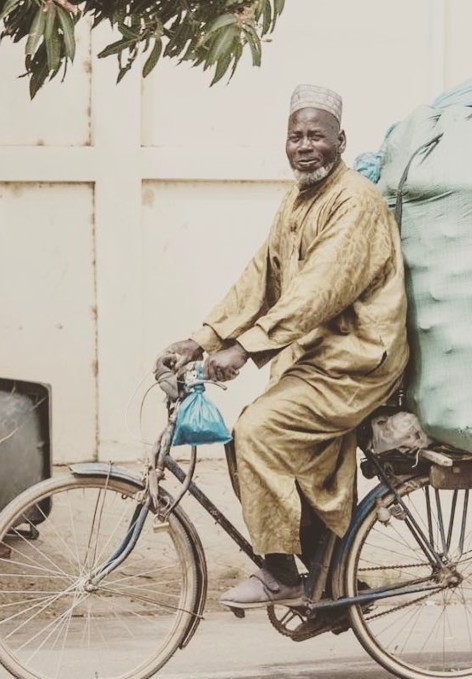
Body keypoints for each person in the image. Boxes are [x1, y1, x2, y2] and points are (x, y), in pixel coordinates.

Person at [155, 84, 408, 610]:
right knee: (260, 441)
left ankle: (280, 574)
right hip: (318, 356)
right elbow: (260, 279)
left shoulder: (354, 201)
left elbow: (319, 290)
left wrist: (246, 349)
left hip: (357, 359)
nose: (305, 146)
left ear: (341, 140)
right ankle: (331, 589)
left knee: (258, 430)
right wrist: (201, 339)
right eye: (296, 136)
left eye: (317, 135)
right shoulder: (297, 199)